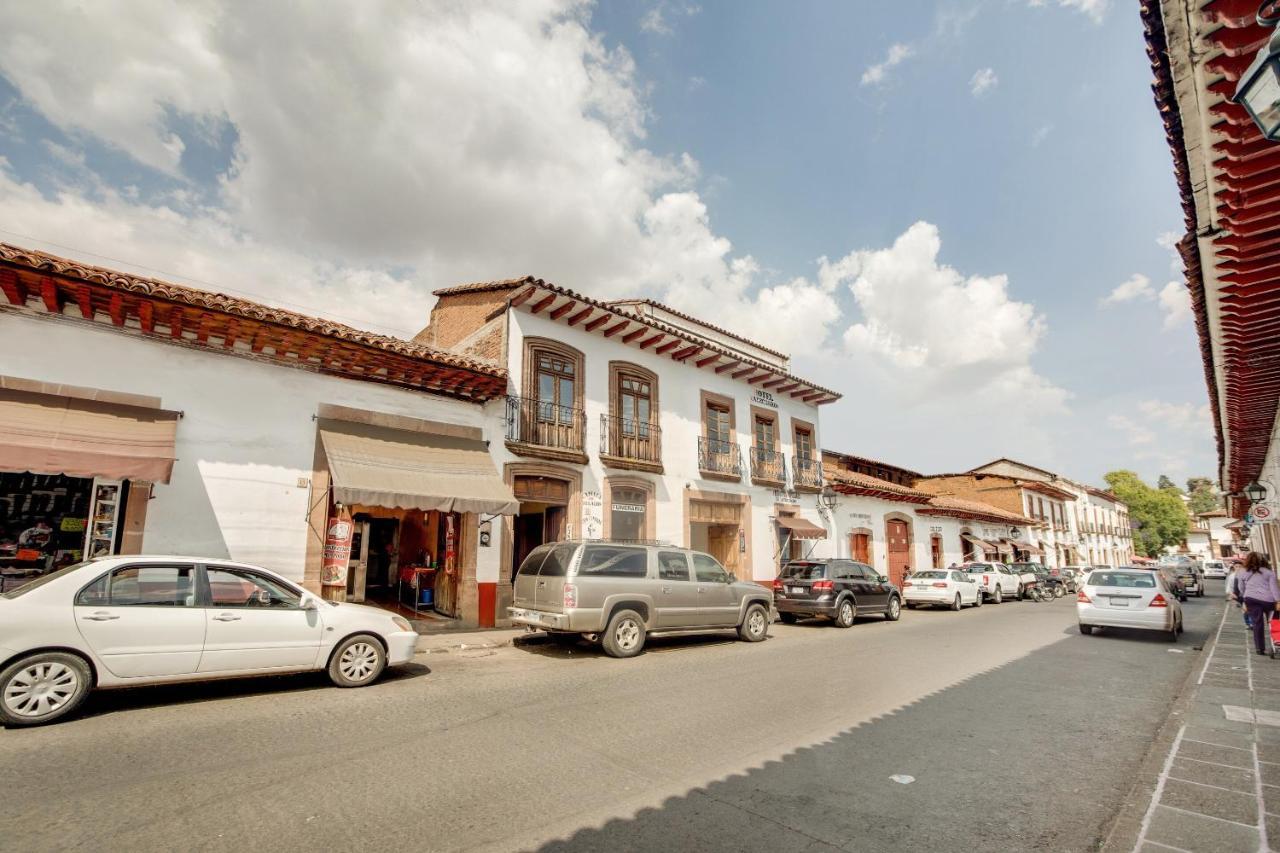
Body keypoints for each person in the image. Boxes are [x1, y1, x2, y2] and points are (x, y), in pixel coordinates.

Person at [1235, 552, 1280, 655]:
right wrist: (1278, 601)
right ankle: (1277, 641)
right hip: (1269, 601)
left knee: (1257, 623)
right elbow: (1274, 589)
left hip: (1251, 600)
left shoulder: (1242, 572)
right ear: (1263, 560)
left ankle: (1260, 648)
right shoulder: (1269, 573)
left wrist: (1245, 598)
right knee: (1275, 621)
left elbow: (1241, 588)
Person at [1227, 561, 1251, 628]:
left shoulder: (1246, 574)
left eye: (1240, 566)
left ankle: (1250, 623)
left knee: (1247, 608)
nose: (1238, 568)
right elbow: (1229, 587)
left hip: (1247, 594)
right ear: (1234, 567)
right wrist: (1232, 594)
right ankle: (1248, 623)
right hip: (1238, 595)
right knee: (1245, 609)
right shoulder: (1231, 576)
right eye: (1236, 567)